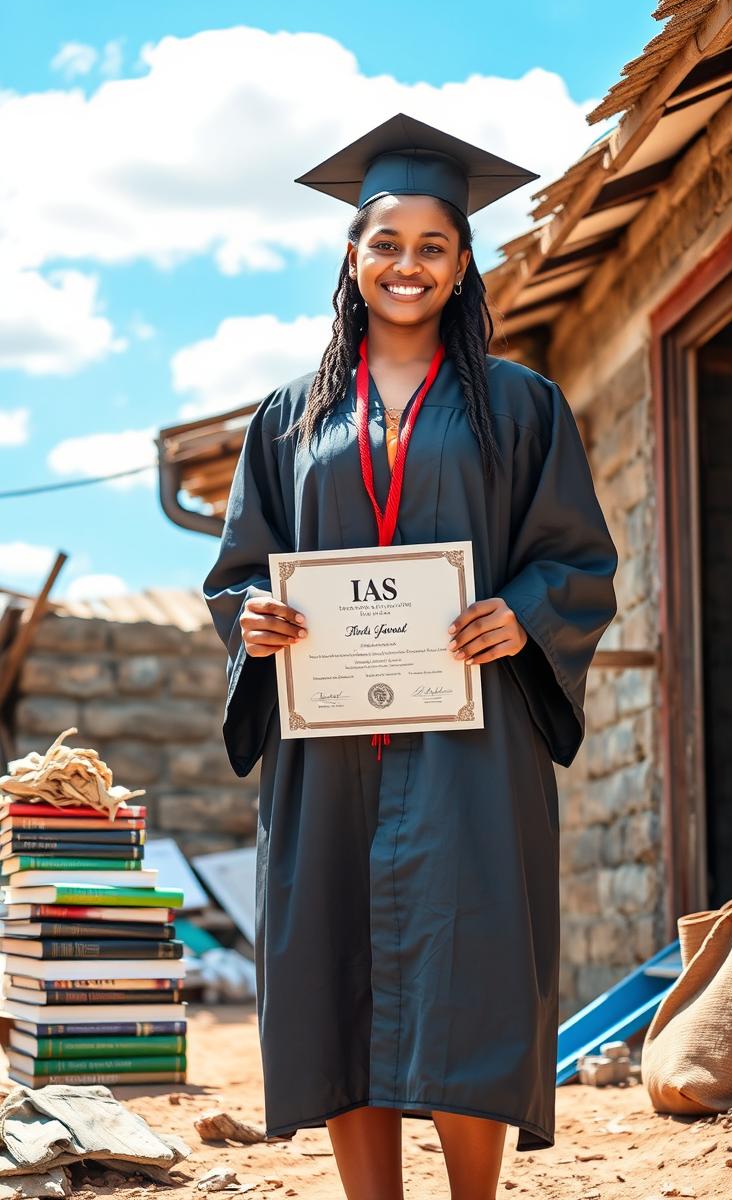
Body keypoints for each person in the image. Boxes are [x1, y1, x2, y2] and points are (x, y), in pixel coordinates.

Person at [204, 113, 618, 1200]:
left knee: (470, 971)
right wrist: (252, 616)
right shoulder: (288, 419)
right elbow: (242, 568)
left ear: (463, 259)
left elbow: (574, 557)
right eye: (386, 242)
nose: (407, 264)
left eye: (432, 245)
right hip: (329, 743)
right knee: (338, 969)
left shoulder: (519, 404)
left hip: (471, 738)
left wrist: (522, 614)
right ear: (352, 257)